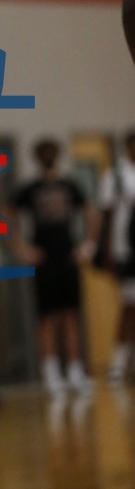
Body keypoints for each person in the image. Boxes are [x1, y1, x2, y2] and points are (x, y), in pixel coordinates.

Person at [12, 140, 96, 395]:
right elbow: (8, 214)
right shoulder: (30, 188)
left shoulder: (69, 185)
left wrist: (88, 245)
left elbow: (90, 213)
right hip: (43, 258)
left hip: (66, 255)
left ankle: (75, 370)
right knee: (46, 317)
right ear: (37, 157)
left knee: (70, 315)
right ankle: (50, 371)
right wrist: (22, 248)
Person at [99, 131, 135, 385]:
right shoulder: (115, 176)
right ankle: (118, 363)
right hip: (127, 250)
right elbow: (108, 217)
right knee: (130, 306)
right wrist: (108, 251)